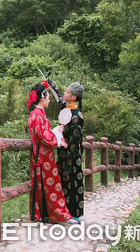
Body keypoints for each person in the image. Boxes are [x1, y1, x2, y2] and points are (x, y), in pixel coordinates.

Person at [28, 82, 80, 224]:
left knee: (45, 186)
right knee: (53, 187)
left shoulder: (37, 114)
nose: (50, 101)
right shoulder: (37, 115)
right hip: (42, 156)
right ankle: (61, 215)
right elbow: (42, 135)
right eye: (48, 98)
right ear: (42, 98)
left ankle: (44, 214)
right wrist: (56, 133)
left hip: (43, 155)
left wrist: (55, 132)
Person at [56, 82, 84, 218]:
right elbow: (58, 97)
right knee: (63, 182)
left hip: (71, 154)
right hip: (63, 152)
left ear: (74, 97)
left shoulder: (76, 115)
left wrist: (69, 160)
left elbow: (75, 140)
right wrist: (50, 84)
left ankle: (73, 213)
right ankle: (63, 211)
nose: (64, 93)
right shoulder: (67, 107)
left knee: (72, 182)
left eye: (67, 92)